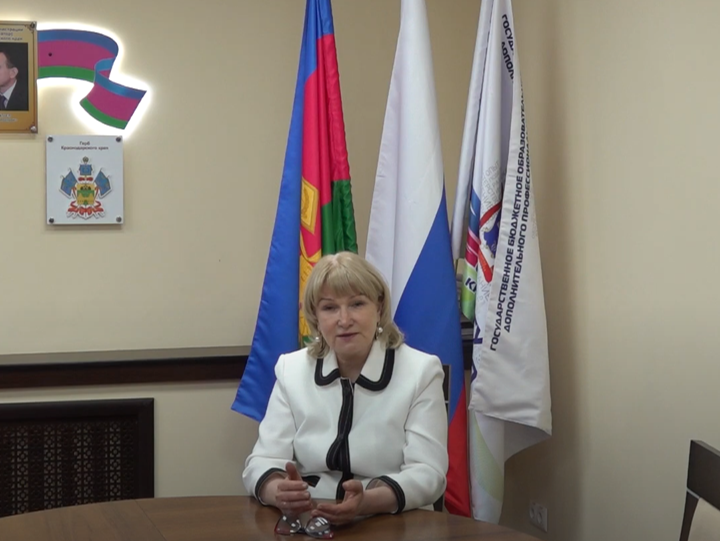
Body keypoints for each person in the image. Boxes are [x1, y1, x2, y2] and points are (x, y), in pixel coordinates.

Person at [242, 251, 448, 526]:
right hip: (311, 518)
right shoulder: (291, 370)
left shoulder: (421, 371)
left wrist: (368, 502)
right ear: (315, 315)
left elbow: (428, 473)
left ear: (379, 307)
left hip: (391, 520)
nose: (344, 319)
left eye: (357, 304)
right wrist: (278, 491)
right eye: (329, 308)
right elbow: (261, 461)